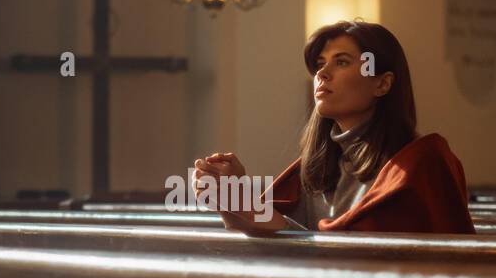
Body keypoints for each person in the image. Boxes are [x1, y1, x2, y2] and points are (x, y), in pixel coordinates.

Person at [193, 19, 475, 235]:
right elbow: (284, 247)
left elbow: (357, 260)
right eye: (319, 64)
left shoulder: (420, 164)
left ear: (382, 83)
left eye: (342, 62)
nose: (322, 74)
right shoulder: (318, 164)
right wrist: (228, 200)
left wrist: (248, 207)